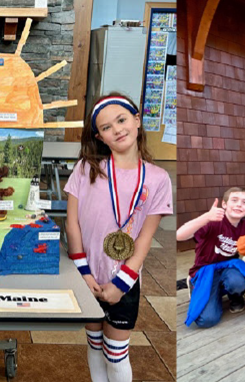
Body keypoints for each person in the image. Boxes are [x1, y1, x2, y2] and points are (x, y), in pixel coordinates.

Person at [67, 94, 174, 382]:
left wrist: (122, 282)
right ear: (100, 137)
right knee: (94, 343)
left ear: (137, 121)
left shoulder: (158, 178)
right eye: (106, 127)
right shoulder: (87, 169)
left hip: (123, 279)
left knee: (116, 352)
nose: (117, 129)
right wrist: (83, 273)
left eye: (122, 119)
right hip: (87, 275)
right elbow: (72, 223)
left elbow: (145, 237)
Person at [177, 187, 245, 328]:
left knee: (238, 280)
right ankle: (201, 287)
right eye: (234, 200)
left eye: (244, 202)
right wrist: (206, 217)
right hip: (206, 270)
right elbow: (180, 235)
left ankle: (235, 297)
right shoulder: (212, 222)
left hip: (228, 268)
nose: (239, 204)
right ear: (224, 204)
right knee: (207, 320)